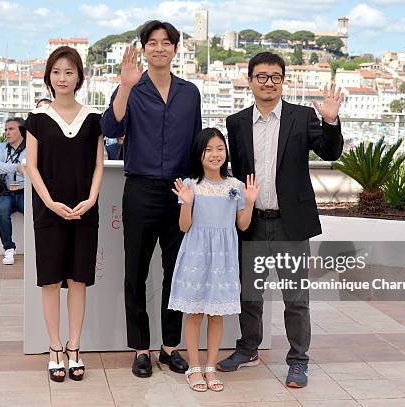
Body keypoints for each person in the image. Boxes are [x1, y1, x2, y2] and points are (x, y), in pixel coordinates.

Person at [217, 52, 344, 388]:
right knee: (250, 295)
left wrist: (330, 121)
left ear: (283, 81)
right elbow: (235, 172)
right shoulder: (237, 122)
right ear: (250, 81)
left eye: (275, 76)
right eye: (261, 76)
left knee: (295, 299)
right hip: (253, 221)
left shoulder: (302, 117)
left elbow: (330, 152)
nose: (268, 82)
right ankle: (248, 349)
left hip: (291, 222)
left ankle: (298, 361)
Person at [100, 20, 202, 378]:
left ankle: (169, 347)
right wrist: (125, 88)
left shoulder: (190, 93)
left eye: (166, 43)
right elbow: (109, 130)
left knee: (176, 273)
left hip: (179, 192)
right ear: (144, 49)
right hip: (140, 190)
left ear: (175, 49)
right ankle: (141, 348)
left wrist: (197, 192)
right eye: (153, 43)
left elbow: (196, 146)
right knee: (136, 273)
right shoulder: (131, 88)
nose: (160, 48)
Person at [25, 46, 104, 383]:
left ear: (79, 77)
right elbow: (31, 166)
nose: (62, 78)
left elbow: (99, 163)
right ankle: (55, 347)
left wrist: (91, 199)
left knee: (78, 280)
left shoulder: (93, 118)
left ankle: (75, 347)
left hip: (85, 210)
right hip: (49, 211)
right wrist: (50, 202)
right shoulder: (37, 119)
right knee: (51, 280)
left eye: (69, 71)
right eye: (56, 72)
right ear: (48, 77)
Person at [168, 128, 258, 392]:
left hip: (224, 258)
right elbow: (184, 227)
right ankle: (194, 368)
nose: (215, 154)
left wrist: (250, 202)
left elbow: (242, 225)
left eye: (220, 148)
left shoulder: (236, 186)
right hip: (196, 254)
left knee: (216, 314)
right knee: (195, 312)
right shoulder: (190, 185)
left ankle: (210, 367)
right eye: (209, 149)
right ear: (199, 153)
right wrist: (185, 203)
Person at [0, 117, 27, 265]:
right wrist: (17, 167)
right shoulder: (1, 147)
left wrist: (7, 165)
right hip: (7, 191)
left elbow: (32, 169)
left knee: (35, 211)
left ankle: (38, 247)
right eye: (6, 129)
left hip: (26, 190)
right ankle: (9, 249)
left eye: (11, 129)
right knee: (2, 208)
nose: (7, 132)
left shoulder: (31, 148)